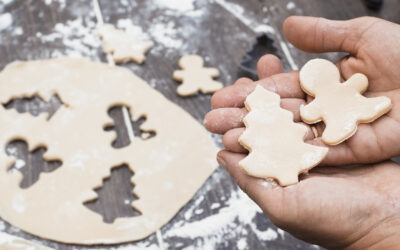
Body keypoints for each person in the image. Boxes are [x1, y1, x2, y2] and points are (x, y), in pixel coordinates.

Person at [204, 16, 400, 249]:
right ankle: (366, 109)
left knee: (365, 107)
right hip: (338, 120)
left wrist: (383, 230)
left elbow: (337, 95)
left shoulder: (337, 88)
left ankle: (372, 107)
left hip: (354, 107)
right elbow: (311, 111)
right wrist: (384, 230)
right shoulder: (325, 96)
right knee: (341, 124)